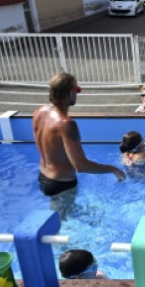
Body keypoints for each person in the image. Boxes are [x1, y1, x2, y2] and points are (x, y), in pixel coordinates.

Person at [33, 73, 124, 218]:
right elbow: (81, 166)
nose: (77, 94)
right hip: (62, 184)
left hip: (44, 177)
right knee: (62, 225)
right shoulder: (67, 124)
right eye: (77, 90)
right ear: (69, 92)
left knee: (65, 210)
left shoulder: (39, 112)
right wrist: (112, 169)